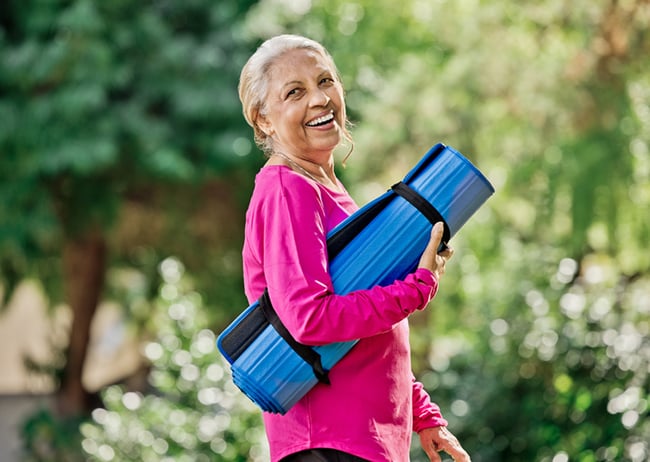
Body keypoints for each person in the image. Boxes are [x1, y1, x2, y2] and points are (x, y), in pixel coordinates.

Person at [238, 34, 471, 462]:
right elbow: (310, 320)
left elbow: (363, 337)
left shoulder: (323, 189)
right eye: (295, 92)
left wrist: (421, 413)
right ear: (265, 120)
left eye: (325, 81)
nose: (320, 99)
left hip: (359, 441)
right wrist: (417, 289)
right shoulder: (287, 189)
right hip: (325, 442)